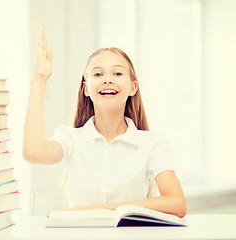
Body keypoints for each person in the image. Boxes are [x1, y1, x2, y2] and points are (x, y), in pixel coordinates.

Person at [23, 26, 187, 218]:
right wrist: (39, 79)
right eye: (98, 74)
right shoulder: (70, 140)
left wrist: (95, 210)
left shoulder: (153, 144)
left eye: (117, 74)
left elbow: (177, 203)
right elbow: (33, 152)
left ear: (133, 87)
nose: (107, 79)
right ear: (86, 88)